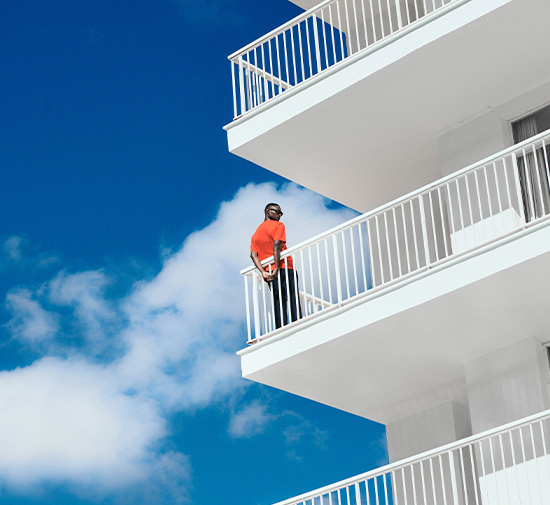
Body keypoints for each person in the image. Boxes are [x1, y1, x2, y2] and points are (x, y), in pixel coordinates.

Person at [250, 203, 301, 329]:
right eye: (278, 212)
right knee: (292, 295)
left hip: (269, 271)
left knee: (278, 299)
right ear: (268, 211)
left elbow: (253, 255)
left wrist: (263, 272)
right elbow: (277, 244)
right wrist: (277, 267)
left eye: (281, 213)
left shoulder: (255, 234)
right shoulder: (278, 225)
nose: (280, 215)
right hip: (284, 266)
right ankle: (298, 323)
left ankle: (281, 327)